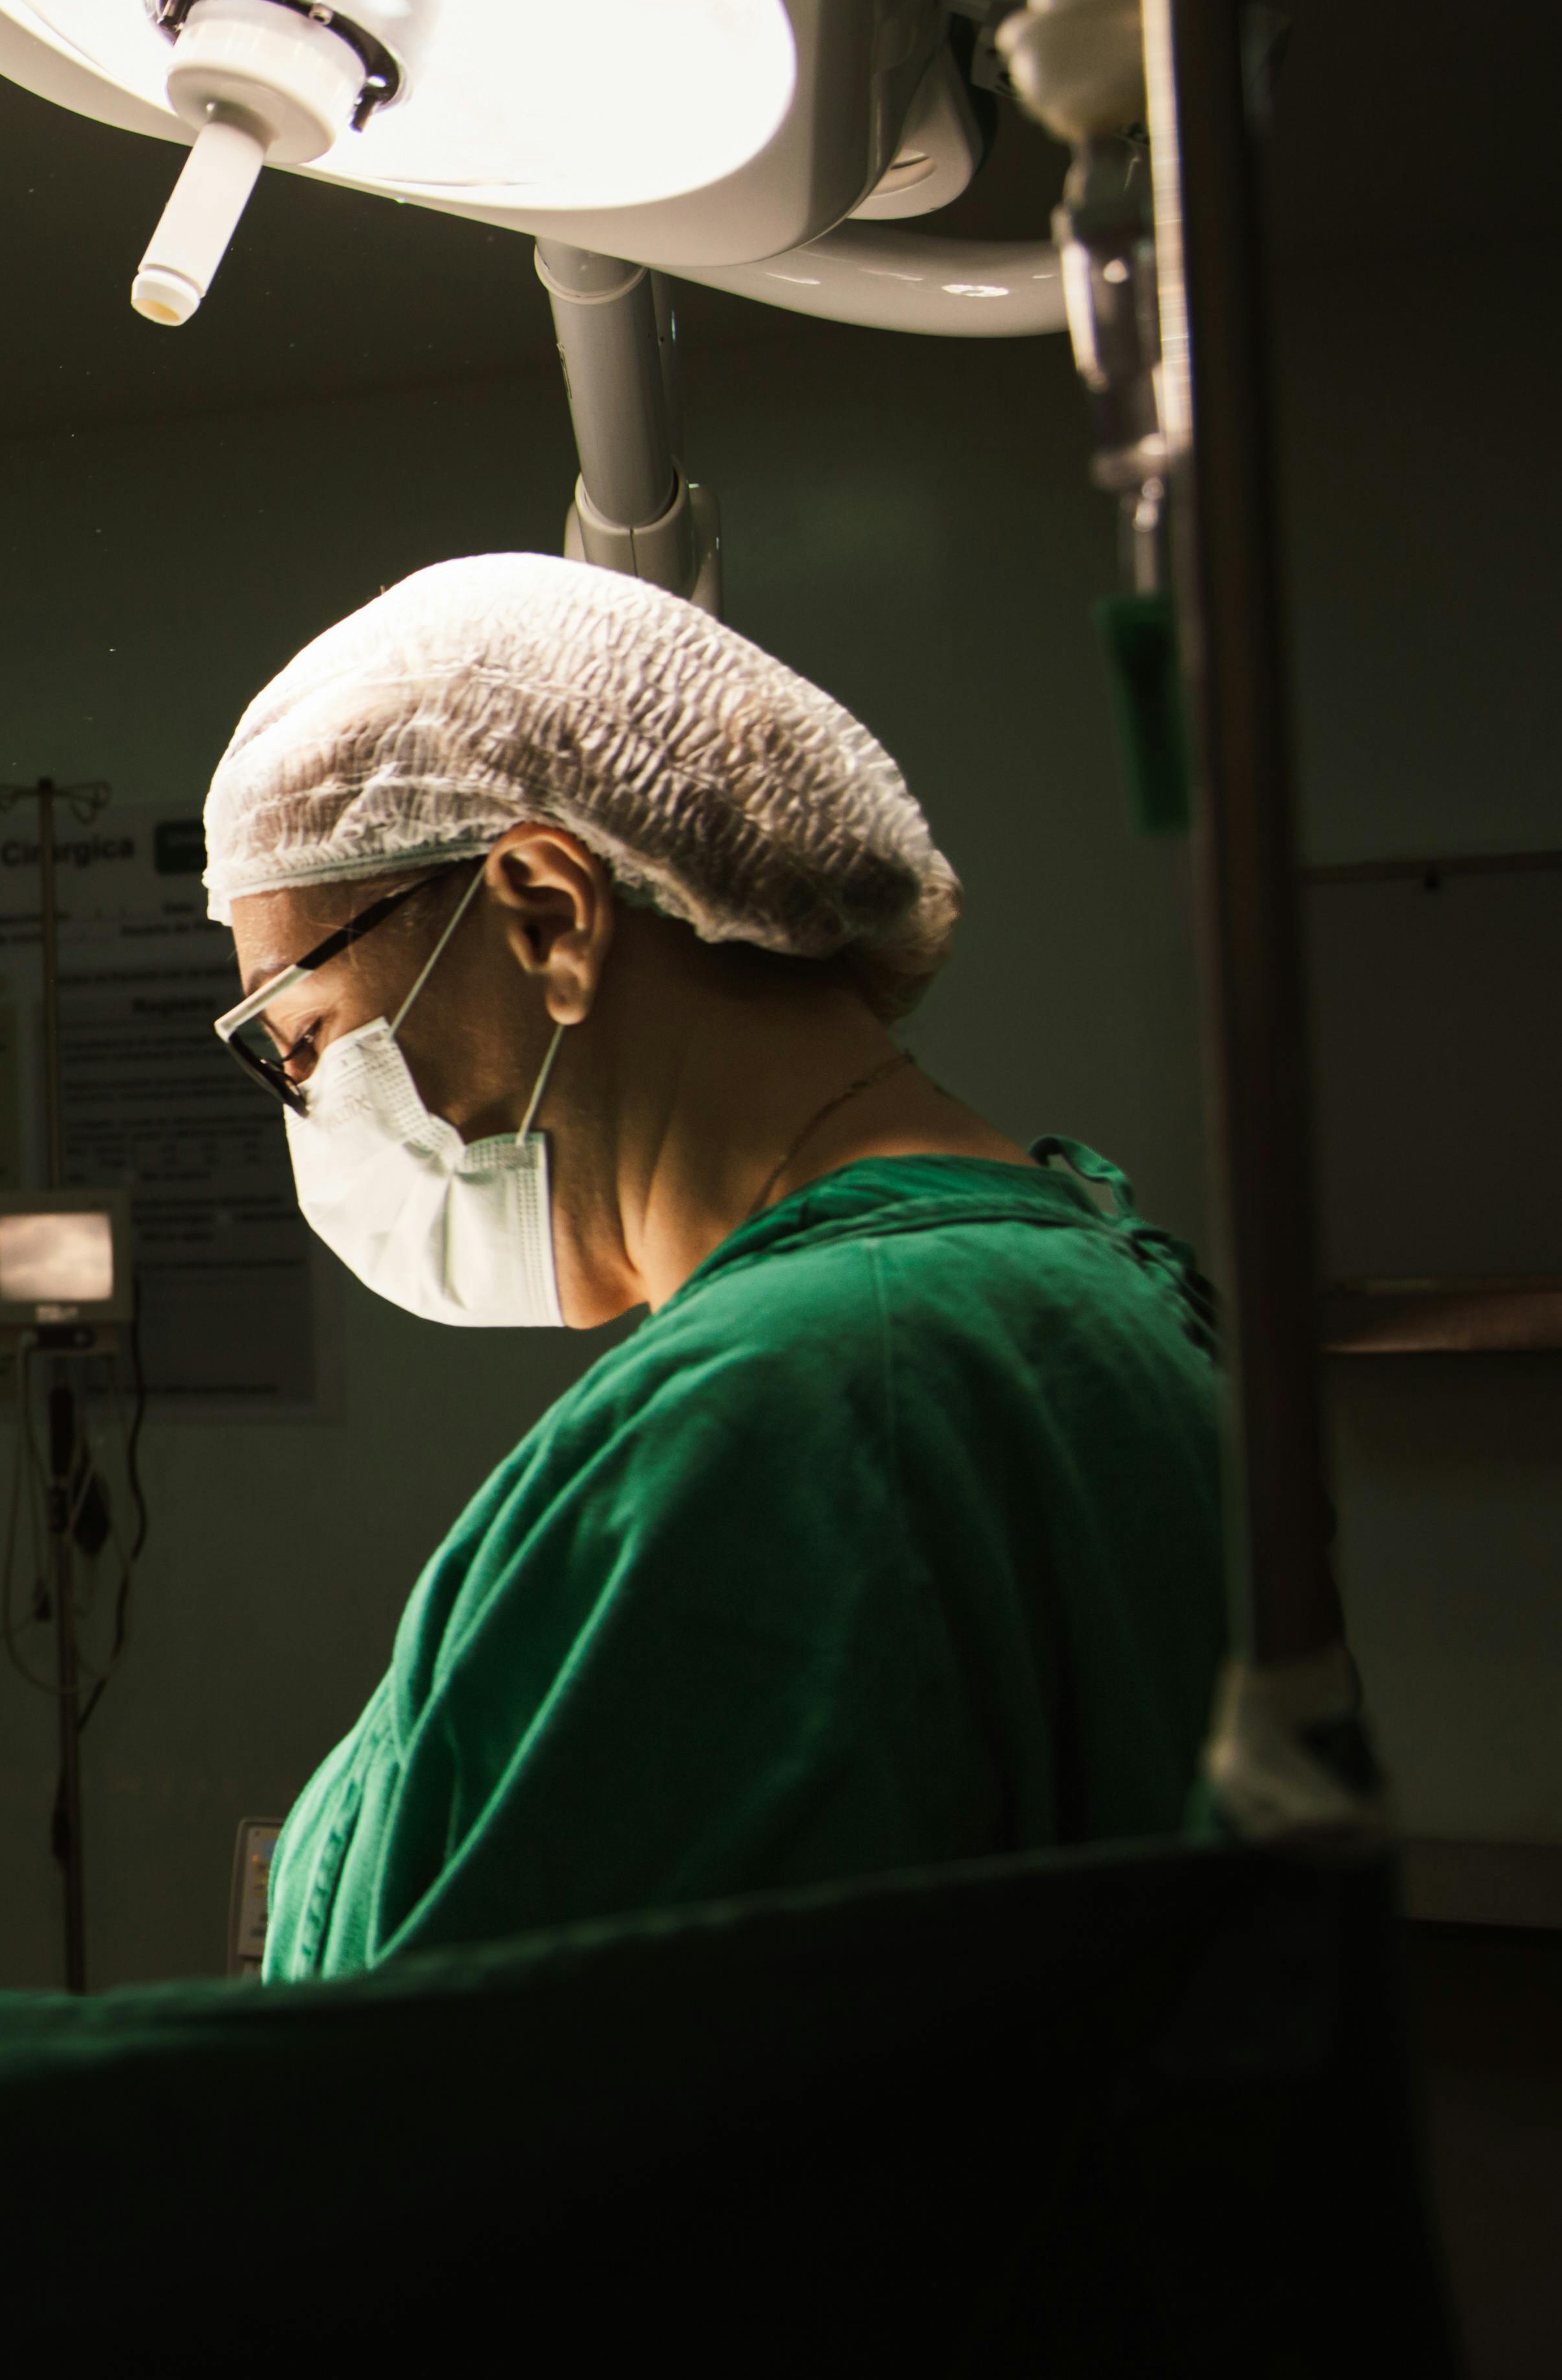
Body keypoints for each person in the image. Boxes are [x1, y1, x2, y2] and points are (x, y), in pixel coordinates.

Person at [202, 554, 1226, 1981]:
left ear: (547, 913)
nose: (315, 1107)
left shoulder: (797, 1406)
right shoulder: (1085, 1285)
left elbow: (483, 2129)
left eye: (302, 1038)